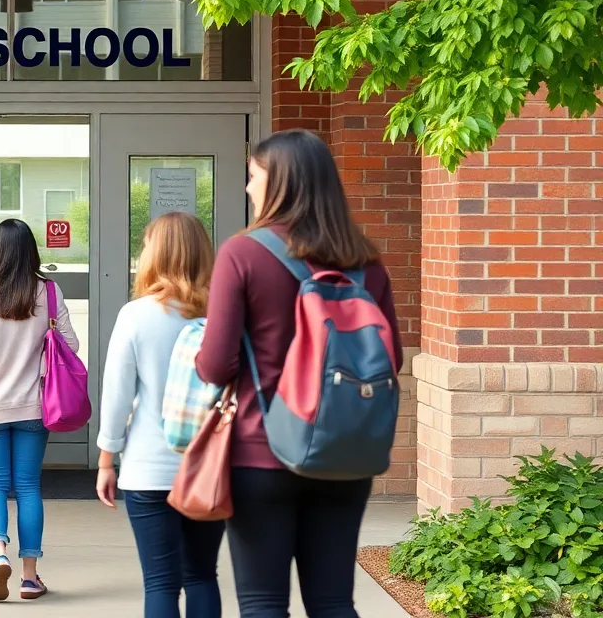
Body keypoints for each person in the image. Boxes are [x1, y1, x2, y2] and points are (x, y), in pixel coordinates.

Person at [196, 129, 404, 618]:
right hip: (345, 454)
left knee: (264, 604)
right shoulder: (366, 264)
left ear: (280, 183)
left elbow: (216, 365)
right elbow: (387, 361)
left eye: (253, 177)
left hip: (261, 452)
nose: (248, 189)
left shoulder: (243, 253)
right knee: (333, 602)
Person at [96, 212, 224, 618]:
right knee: (203, 575)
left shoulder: (136, 315)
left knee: (161, 582)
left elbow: (117, 395)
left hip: (149, 468)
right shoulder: (225, 315)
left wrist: (106, 459)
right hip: (211, 468)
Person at [0, 219, 79, 602]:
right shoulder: (49, 293)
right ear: (31, 251)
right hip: (33, 407)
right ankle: (28, 577)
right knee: (27, 486)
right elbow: (69, 346)